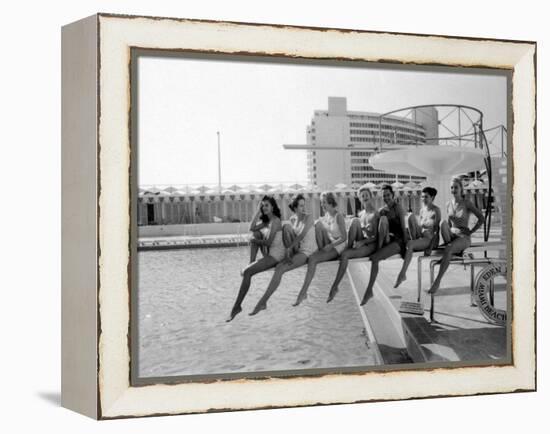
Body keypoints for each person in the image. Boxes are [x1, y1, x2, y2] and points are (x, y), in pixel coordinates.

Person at [249, 194, 318, 316]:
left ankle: (262, 302)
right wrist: (288, 249)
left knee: (280, 269)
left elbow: (302, 235)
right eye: (301, 206)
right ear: (295, 208)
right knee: (279, 266)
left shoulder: (309, 217)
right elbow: (293, 236)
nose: (304, 208)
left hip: (307, 251)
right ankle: (263, 302)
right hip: (298, 250)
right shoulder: (292, 220)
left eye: (304, 205)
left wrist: (288, 249)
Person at [226, 196, 285, 322]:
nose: (264, 207)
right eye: (263, 205)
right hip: (269, 253)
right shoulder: (266, 222)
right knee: (255, 233)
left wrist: (255, 240)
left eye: (266, 205)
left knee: (247, 272)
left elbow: (268, 242)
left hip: (276, 256)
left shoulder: (276, 221)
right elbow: (251, 228)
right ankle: (251, 263)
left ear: (273, 207)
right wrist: (258, 211)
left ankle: (237, 307)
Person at [427, 177, 485, 295]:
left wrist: (471, 231)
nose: (453, 190)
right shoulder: (448, 203)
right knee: (442, 222)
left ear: (461, 189)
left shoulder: (466, 203)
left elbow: (481, 218)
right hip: (451, 235)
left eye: (456, 187)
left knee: (448, 249)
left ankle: (437, 281)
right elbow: (448, 223)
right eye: (452, 187)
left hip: (463, 236)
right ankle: (451, 248)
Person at [326, 185, 379, 303]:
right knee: (354, 221)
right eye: (362, 196)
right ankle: (347, 248)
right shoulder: (361, 214)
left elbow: (377, 237)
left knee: (344, 255)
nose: (364, 197)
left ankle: (335, 287)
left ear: (370, 197)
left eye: (366, 195)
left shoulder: (375, 214)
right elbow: (359, 229)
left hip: (370, 245)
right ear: (359, 198)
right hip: (362, 241)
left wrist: (362, 242)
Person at [293, 192, 347, 306]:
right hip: (330, 242)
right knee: (317, 225)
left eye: (324, 202)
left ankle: (303, 293)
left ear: (331, 203)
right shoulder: (327, 216)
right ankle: (303, 292)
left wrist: (331, 246)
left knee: (312, 259)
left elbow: (344, 238)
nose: (322, 205)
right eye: (321, 202)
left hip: (339, 245)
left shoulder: (339, 216)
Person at [361, 184, 407, 305]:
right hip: (388, 239)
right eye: (384, 196)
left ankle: (369, 290)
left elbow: (403, 228)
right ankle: (369, 290)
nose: (386, 197)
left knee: (375, 258)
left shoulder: (398, 208)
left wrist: (406, 248)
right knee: (382, 219)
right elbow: (379, 230)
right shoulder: (381, 211)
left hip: (398, 240)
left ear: (392, 195)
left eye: (388, 195)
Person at [394, 187, 441, 288]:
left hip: (430, 240)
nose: (423, 199)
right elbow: (419, 227)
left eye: (426, 197)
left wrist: (430, 247)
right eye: (422, 197)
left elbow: (437, 230)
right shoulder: (422, 210)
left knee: (410, 244)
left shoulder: (436, 210)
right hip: (421, 237)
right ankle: (411, 244)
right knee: (411, 216)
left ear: (432, 197)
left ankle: (402, 274)